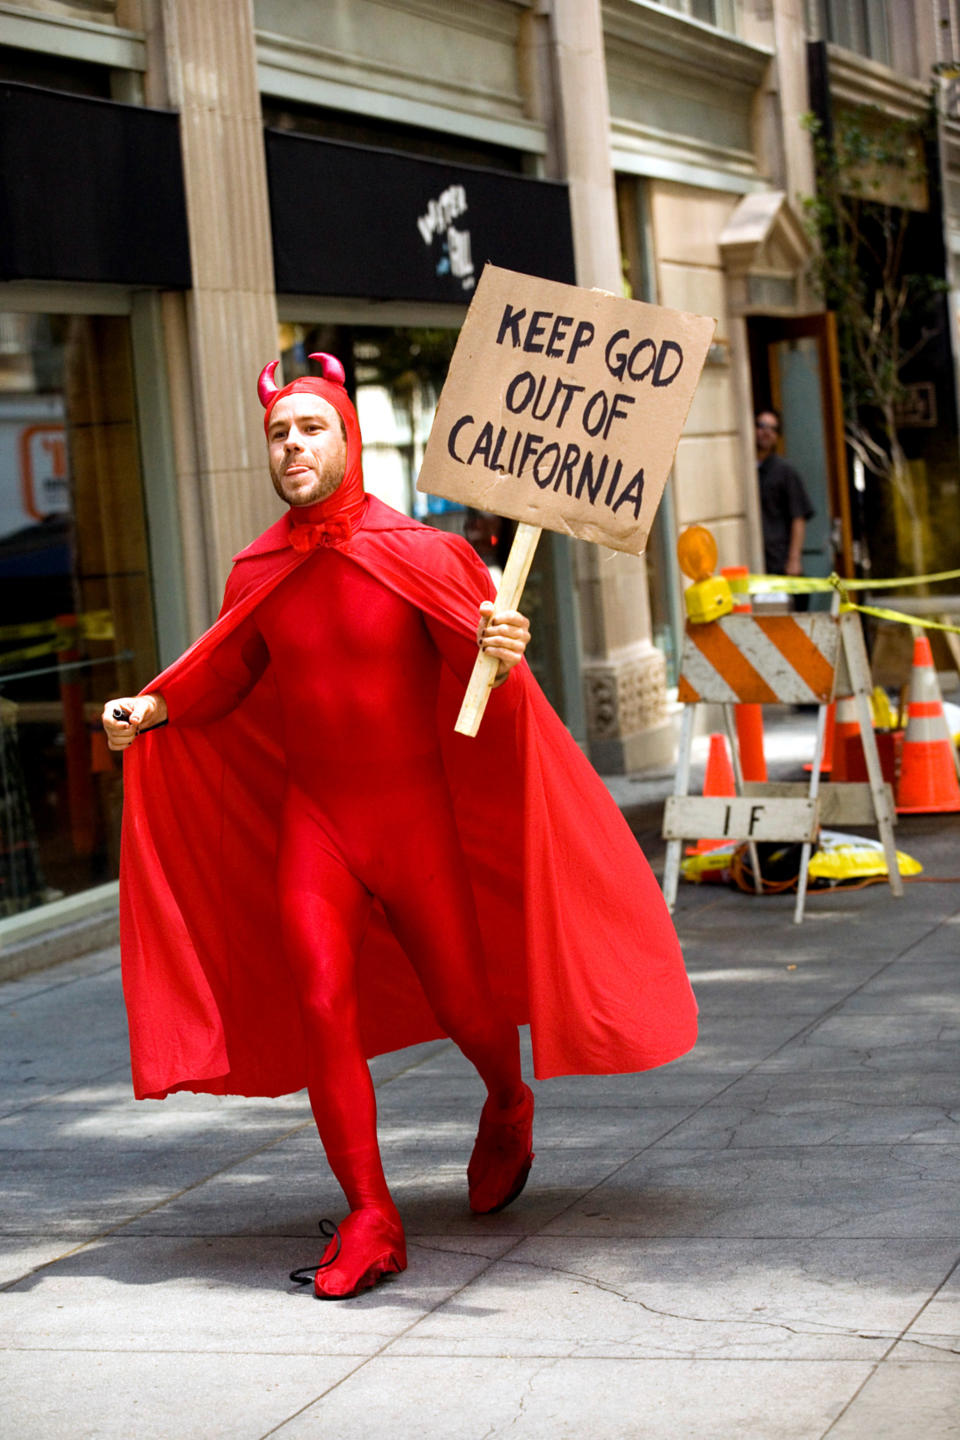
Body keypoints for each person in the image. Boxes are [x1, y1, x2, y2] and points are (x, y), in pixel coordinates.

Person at [102, 353, 697, 1302]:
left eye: (310, 429)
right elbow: (226, 672)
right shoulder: (260, 566)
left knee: (465, 1003)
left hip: (415, 822)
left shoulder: (420, 552)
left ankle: (507, 1101)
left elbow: (490, 708)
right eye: (278, 434)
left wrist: (497, 653)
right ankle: (371, 1215)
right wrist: (157, 706)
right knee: (320, 1006)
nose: (292, 447)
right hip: (318, 825)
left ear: (349, 438)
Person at [755, 409, 814, 578]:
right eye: (761, 426)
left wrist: (794, 559)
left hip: (778, 561)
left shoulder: (785, 471)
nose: (766, 432)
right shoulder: (743, 469)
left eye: (773, 429)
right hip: (752, 558)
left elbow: (798, 517)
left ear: (777, 436)